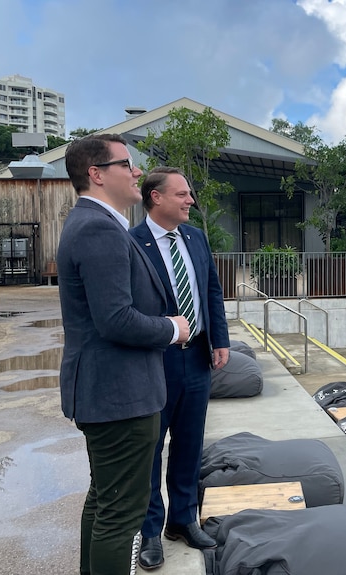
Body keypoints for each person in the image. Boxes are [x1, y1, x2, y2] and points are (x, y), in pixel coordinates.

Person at [58, 135, 190, 575]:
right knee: (121, 514)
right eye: (126, 164)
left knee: (104, 500)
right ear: (96, 174)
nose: (137, 171)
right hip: (119, 396)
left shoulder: (99, 223)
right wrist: (173, 328)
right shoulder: (97, 227)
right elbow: (115, 320)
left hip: (112, 393)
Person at [129, 167, 231, 570]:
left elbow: (211, 290)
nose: (190, 200)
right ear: (156, 198)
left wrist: (219, 339)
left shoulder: (196, 237)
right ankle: (151, 531)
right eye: (183, 194)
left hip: (197, 358)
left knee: (189, 445)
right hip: (155, 361)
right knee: (151, 448)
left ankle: (183, 520)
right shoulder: (132, 244)